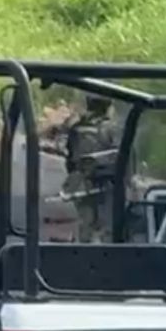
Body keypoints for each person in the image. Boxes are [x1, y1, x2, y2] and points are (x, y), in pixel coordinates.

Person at [59, 96, 123, 243]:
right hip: (107, 182)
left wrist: (75, 176)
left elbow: (70, 157)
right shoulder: (112, 128)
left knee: (85, 222)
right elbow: (120, 156)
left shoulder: (77, 128)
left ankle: (84, 253)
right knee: (107, 226)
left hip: (81, 181)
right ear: (107, 108)